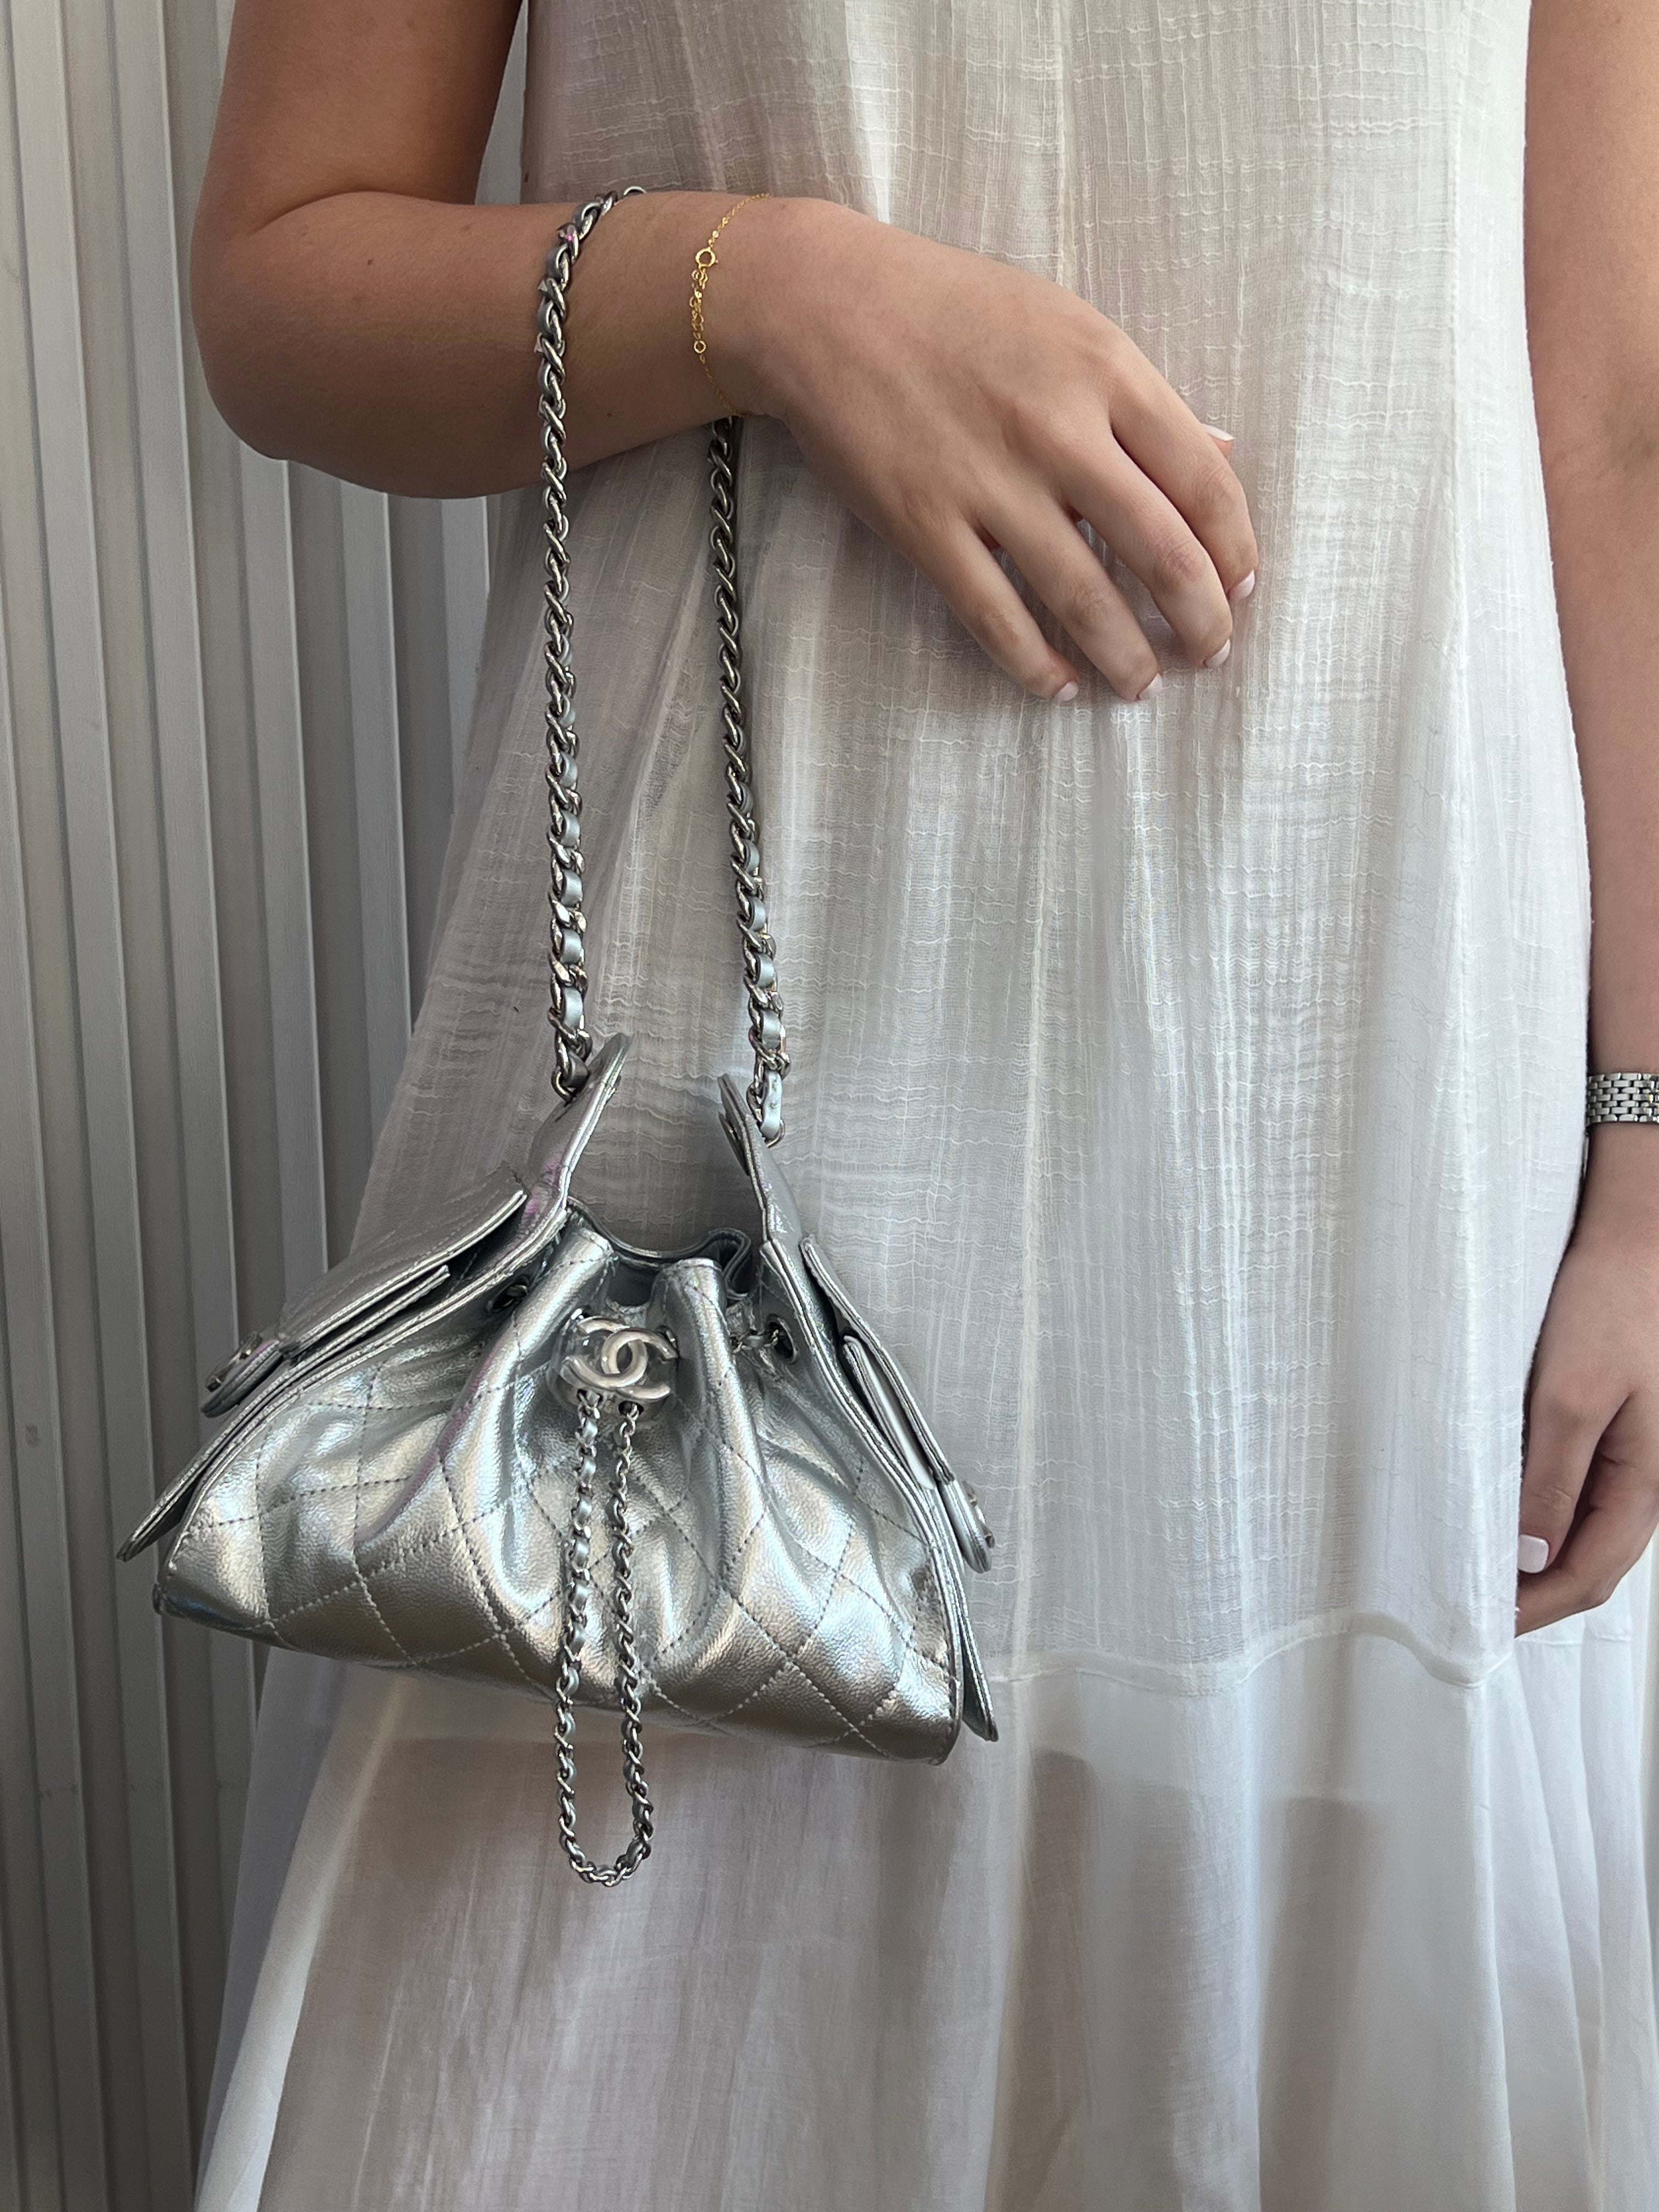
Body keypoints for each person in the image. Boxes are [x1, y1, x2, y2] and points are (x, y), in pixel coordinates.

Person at [183, 0, 1659, 2203]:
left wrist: (1646, 1147)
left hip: (1370, 1119)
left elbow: (1617, 406)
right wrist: (766, 294)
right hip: (713, 1192)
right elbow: (287, 283)